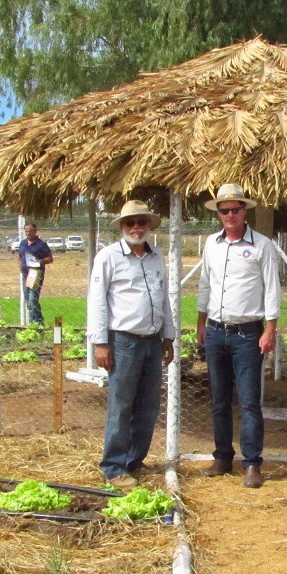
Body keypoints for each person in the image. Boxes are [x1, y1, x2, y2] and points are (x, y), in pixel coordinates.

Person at [197, 183, 282, 489]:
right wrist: (200, 322)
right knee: (219, 400)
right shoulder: (211, 244)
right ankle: (222, 457)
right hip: (217, 331)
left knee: (249, 402)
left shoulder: (262, 245)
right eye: (224, 210)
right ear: (218, 213)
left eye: (235, 209)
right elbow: (205, 284)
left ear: (246, 210)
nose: (230, 214)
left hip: (248, 334)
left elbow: (272, 288)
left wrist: (270, 328)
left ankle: (252, 463)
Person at [87, 201, 175, 487]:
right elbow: (97, 301)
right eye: (130, 223)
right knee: (121, 405)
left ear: (149, 225)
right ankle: (113, 467)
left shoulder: (156, 256)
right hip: (122, 341)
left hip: (151, 340)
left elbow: (164, 299)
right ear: (122, 227)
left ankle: (134, 462)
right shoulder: (108, 257)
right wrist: (100, 342)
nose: (136, 227)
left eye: (141, 222)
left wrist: (168, 336)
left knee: (148, 405)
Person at [17, 222, 54, 325]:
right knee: (27, 299)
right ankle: (32, 321)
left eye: (30, 230)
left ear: (35, 231)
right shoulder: (23, 243)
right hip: (25, 274)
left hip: (35, 273)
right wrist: (21, 267)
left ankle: (38, 321)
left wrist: (39, 262)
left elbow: (50, 259)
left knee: (33, 298)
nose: (28, 232)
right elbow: (19, 256)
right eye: (26, 230)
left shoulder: (41, 244)